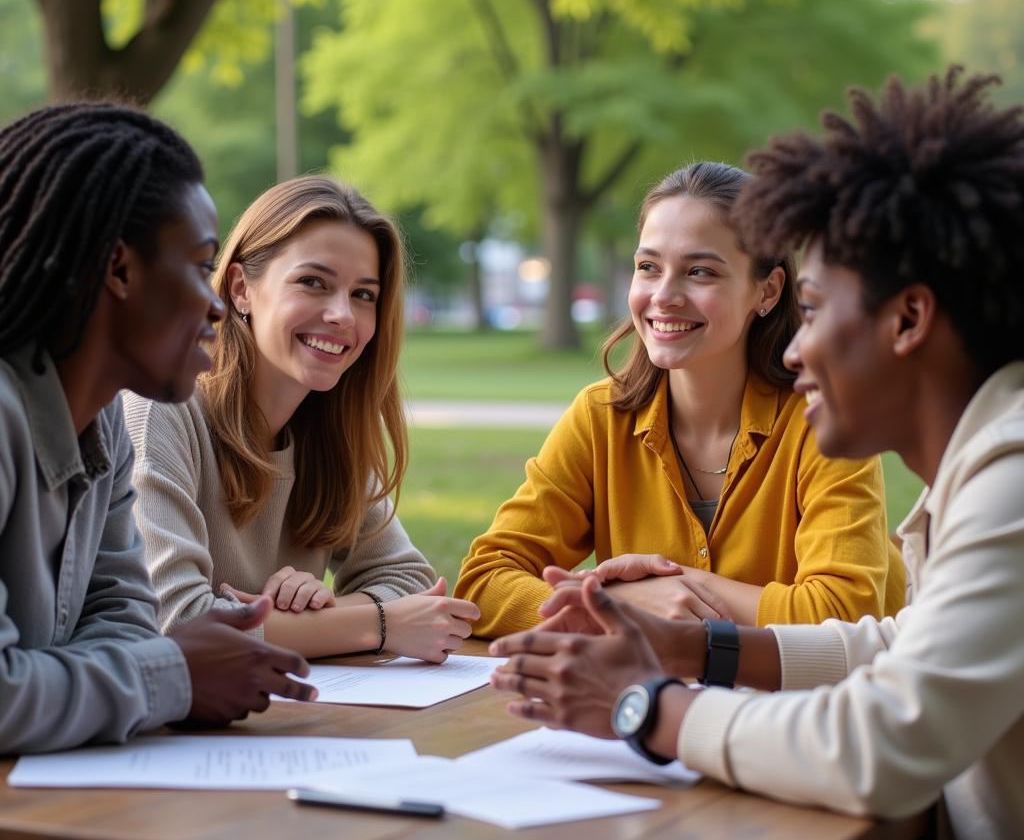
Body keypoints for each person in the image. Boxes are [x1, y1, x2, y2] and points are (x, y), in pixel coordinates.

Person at [489, 68, 1024, 840]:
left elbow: (882, 744)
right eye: (648, 265)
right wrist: (699, 649)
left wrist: (649, 705)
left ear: (909, 318)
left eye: (812, 309)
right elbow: (898, 646)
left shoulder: (1010, 479)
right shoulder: (991, 459)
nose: (800, 349)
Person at [456, 162, 904, 638]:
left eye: (700, 272)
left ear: (767, 291)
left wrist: (676, 589)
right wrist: (611, 600)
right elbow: (481, 585)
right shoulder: (600, 418)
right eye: (648, 267)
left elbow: (844, 615)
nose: (664, 296)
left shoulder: (825, 422)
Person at [0, 103, 316, 755]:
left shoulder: (104, 422)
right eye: (202, 266)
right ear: (119, 269)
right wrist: (172, 675)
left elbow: (125, 621)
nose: (218, 305)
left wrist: (161, 669)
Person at [125, 177, 478, 662]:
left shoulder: (328, 426)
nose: (343, 315)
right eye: (313, 282)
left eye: (364, 295)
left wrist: (310, 617)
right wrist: (376, 624)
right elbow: (179, 623)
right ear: (240, 288)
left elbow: (409, 582)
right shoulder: (161, 409)